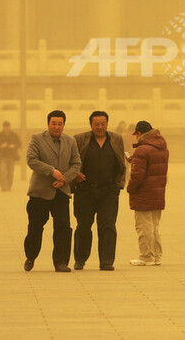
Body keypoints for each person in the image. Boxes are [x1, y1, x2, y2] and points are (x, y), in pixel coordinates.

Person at [23, 110, 81, 273]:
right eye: (53, 123)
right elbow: (31, 160)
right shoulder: (37, 139)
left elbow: (76, 164)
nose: (56, 126)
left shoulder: (70, 141)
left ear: (64, 125)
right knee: (35, 227)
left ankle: (61, 262)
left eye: (60, 123)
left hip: (61, 191)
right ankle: (31, 256)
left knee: (63, 227)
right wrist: (51, 171)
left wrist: (64, 178)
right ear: (48, 124)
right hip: (39, 192)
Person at [72, 110, 126, 271]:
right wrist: (75, 174)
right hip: (85, 190)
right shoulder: (80, 139)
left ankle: (107, 261)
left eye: (103, 124)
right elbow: (72, 161)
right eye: (97, 124)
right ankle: (80, 259)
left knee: (108, 225)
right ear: (91, 125)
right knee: (83, 226)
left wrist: (118, 185)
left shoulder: (116, 139)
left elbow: (121, 163)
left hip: (109, 191)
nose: (100, 127)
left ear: (107, 124)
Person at [126, 120, 169, 267]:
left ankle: (146, 256)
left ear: (139, 133)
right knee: (154, 226)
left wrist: (130, 188)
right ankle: (157, 256)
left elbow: (137, 176)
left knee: (144, 227)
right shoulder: (162, 147)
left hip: (143, 194)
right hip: (157, 192)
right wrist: (134, 160)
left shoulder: (142, 150)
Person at [0, 121, 21, 192]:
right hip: (2, 157)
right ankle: (3, 186)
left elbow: (19, 143)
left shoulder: (14, 135)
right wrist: (1, 146)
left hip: (12, 157)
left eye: (8, 127)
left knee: (10, 173)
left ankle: (9, 186)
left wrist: (14, 145)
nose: (6, 128)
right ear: (3, 127)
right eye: (5, 127)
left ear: (9, 127)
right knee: (2, 172)